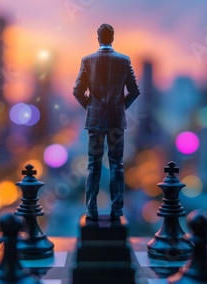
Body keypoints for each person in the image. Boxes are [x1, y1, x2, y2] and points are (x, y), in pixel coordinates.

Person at [73, 23, 140, 221]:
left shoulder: (88, 60)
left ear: (98, 38)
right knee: (117, 164)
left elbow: (77, 91)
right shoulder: (124, 61)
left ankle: (91, 210)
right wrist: (120, 107)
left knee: (93, 165)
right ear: (113, 38)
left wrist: (91, 108)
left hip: (95, 121)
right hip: (116, 120)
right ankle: (117, 210)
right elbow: (134, 91)